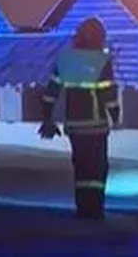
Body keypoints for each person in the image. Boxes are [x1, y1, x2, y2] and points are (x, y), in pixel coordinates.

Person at [38, 17, 120, 220]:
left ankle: (82, 209)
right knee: (97, 169)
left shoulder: (65, 60)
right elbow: (108, 94)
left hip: (74, 126)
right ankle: (96, 210)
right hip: (96, 126)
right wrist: (115, 116)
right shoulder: (101, 60)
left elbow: (51, 92)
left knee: (81, 167)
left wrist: (47, 118)